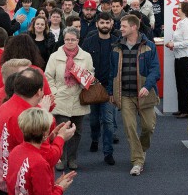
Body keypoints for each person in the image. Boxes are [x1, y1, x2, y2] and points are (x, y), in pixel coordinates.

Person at [0, 68, 67, 194]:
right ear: (39, 91)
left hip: (4, 178)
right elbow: (46, 158)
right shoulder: (25, 116)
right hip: (16, 185)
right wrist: (61, 138)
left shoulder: (6, 106)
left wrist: (51, 136)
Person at [110, 15, 161, 176]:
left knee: (148, 127)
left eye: (124, 26)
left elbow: (155, 70)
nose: (121, 28)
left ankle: (142, 149)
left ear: (134, 27)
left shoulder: (149, 46)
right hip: (124, 94)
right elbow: (112, 71)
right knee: (130, 127)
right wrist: (111, 92)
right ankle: (137, 161)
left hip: (145, 94)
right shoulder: (116, 47)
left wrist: (147, 86)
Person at [46, 27, 94, 171]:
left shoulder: (86, 56)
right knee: (60, 131)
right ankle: (59, 158)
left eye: (73, 39)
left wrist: (83, 77)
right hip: (60, 99)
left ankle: (72, 158)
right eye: (67, 39)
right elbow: (48, 76)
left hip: (79, 98)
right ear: (63, 39)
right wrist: (55, 92)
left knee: (77, 132)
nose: (70, 42)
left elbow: (90, 75)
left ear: (78, 40)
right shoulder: (55, 56)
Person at [7, 108, 78, 195]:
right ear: (44, 134)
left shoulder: (15, 151)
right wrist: (60, 188)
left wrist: (54, 185)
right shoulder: (39, 163)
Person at [82, 12, 118, 165]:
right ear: (97, 24)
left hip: (110, 88)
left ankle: (108, 152)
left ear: (111, 24)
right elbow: (81, 64)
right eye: (102, 23)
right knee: (94, 120)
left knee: (108, 121)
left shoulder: (118, 43)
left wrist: (113, 88)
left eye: (107, 23)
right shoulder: (88, 42)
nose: (104, 25)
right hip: (92, 87)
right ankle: (95, 138)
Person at [165, 2, 188, 119]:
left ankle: (186, 110)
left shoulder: (186, 24)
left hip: (185, 57)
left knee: (184, 84)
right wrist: (174, 44)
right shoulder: (180, 23)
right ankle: (181, 108)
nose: (177, 10)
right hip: (179, 57)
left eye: (179, 8)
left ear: (184, 10)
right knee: (179, 84)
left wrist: (174, 44)